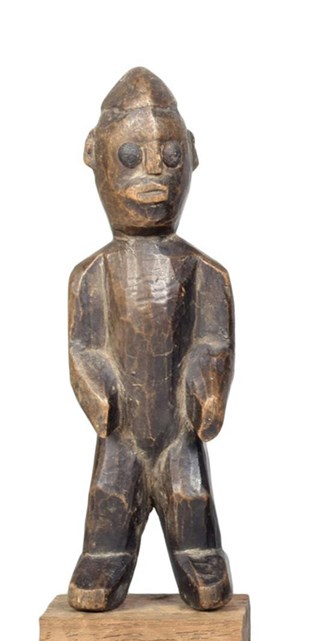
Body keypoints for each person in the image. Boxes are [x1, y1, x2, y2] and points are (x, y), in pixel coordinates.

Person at [68, 67, 234, 612]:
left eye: (169, 156)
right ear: (94, 154)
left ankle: (198, 554)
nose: (153, 174)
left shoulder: (205, 272)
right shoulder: (93, 274)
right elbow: (83, 347)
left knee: (190, 495)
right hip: (121, 434)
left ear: (192, 156)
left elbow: (214, 341)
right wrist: (96, 386)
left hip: (178, 432)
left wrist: (208, 382)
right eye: (130, 157)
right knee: (110, 495)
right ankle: (105, 557)